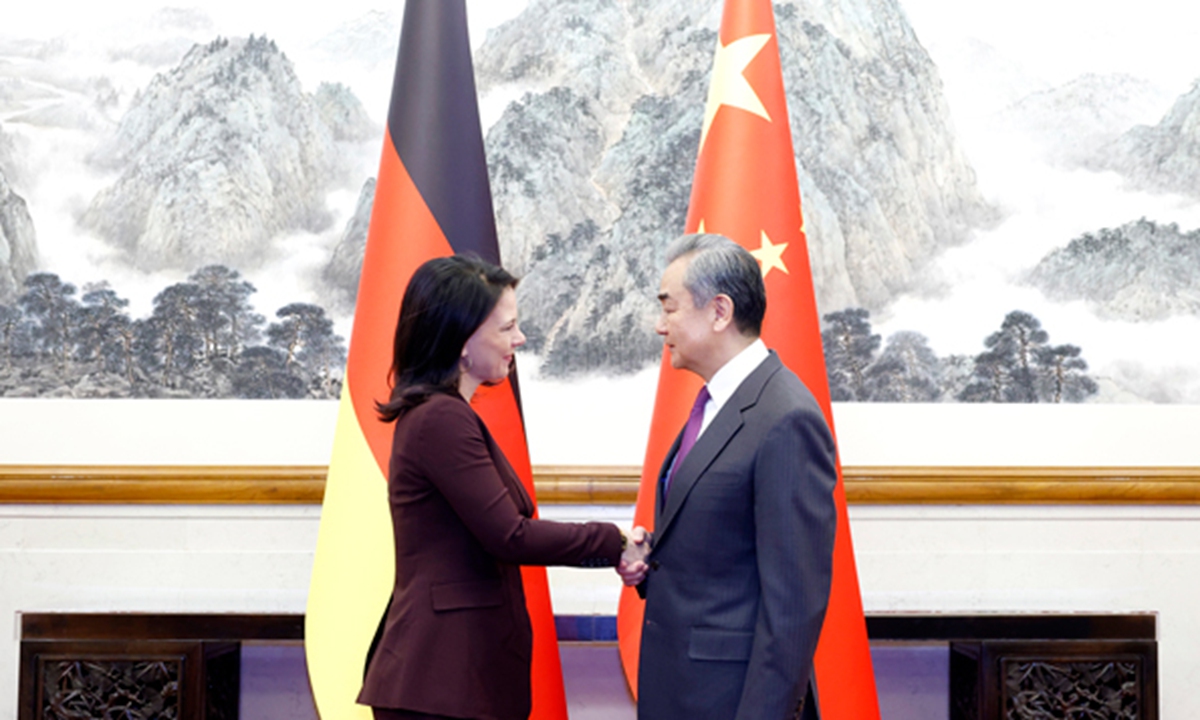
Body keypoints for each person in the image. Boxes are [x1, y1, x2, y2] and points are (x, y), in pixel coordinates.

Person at [358, 255, 649, 720]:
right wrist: (611, 541)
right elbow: (509, 535)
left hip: (455, 680)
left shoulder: (443, 414)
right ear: (461, 341)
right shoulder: (441, 418)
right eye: (506, 328)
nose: (519, 339)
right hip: (442, 681)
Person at [631, 233, 838, 720]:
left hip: (731, 701)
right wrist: (651, 557)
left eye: (670, 308)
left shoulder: (785, 417)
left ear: (719, 312)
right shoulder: (716, 404)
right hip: (683, 689)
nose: (661, 327)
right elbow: (723, 543)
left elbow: (792, 609)